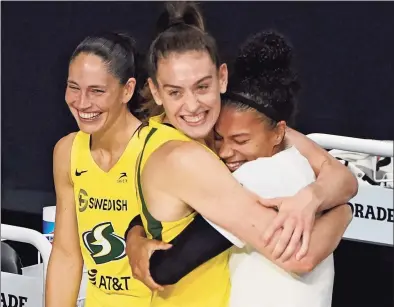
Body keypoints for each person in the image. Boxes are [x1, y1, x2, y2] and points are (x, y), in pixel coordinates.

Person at [127, 2, 357, 306]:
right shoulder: (184, 156)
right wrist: (343, 213)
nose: (193, 105)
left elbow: (343, 178)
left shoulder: (232, 124)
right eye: (175, 92)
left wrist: (312, 198)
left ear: (221, 78)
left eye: (202, 86)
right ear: (156, 92)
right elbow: (301, 255)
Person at [45, 32, 153, 307]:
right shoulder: (67, 151)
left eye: (97, 91)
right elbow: (67, 255)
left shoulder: (159, 151)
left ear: (127, 90)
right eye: (73, 87)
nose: (82, 103)